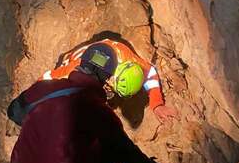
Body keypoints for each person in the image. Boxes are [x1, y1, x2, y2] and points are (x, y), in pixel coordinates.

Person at [7, 43, 170, 163]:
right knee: (115, 147)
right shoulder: (104, 115)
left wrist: (47, 123)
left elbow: (13, 113)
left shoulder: (44, 87)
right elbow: (132, 160)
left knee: (44, 121)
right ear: (107, 78)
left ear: (82, 62)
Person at [40, 38, 177, 128]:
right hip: (73, 60)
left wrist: (157, 104)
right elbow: (49, 77)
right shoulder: (81, 67)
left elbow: (150, 73)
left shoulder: (131, 62)